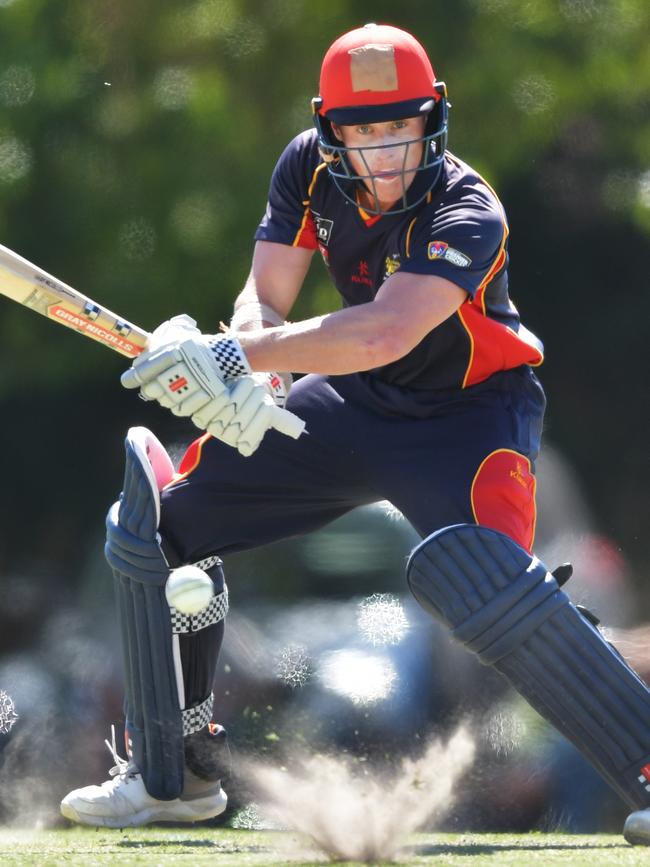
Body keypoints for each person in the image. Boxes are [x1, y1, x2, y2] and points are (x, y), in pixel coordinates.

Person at [60, 23, 650, 845]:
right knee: (154, 529)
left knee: (490, 589)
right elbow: (265, 295)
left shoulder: (468, 207)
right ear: (332, 128)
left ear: (431, 120)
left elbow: (384, 331)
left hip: (470, 417)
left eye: (398, 128)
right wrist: (251, 374)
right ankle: (173, 772)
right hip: (351, 403)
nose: (382, 151)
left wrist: (235, 351)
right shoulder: (306, 165)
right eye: (363, 131)